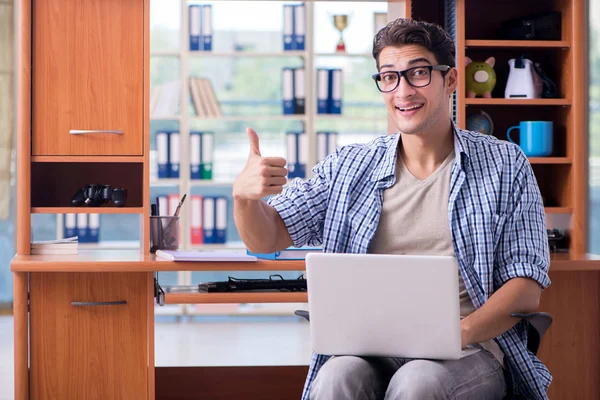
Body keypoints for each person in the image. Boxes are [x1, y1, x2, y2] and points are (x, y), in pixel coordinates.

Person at [232, 18, 551, 400]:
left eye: (418, 73)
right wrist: (245, 200)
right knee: (337, 376)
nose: (403, 91)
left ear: (449, 81)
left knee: (418, 382)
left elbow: (526, 286)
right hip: (368, 348)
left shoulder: (504, 164)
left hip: (469, 349)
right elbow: (268, 236)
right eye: (389, 77)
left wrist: (454, 333)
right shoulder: (349, 166)